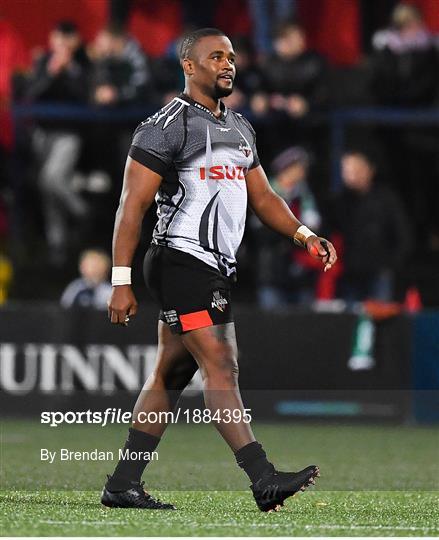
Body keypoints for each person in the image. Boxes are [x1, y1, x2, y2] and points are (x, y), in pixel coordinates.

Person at [103, 28, 337, 512]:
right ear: (189, 66)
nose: (228, 64)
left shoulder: (240, 127)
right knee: (221, 363)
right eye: (216, 56)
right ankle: (262, 477)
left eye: (231, 57)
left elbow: (265, 198)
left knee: (171, 373)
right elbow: (132, 205)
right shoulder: (165, 125)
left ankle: (123, 483)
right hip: (180, 258)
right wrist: (120, 281)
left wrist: (304, 235)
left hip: (211, 265)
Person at [26, 21, 90, 266]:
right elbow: (31, 95)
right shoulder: (43, 63)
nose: (62, 44)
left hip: (69, 133)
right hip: (43, 133)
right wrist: (52, 72)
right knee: (48, 191)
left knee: (51, 179)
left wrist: (70, 70)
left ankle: (84, 213)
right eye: (58, 39)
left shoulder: (83, 64)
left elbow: (85, 97)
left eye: (67, 39)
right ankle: (57, 243)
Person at [331, 150, 411, 303]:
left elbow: (403, 234)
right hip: (350, 274)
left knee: (380, 319)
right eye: (347, 170)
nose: (351, 175)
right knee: (351, 321)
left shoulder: (386, 199)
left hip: (379, 272)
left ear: (370, 170)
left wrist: (391, 264)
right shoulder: (340, 202)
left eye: (357, 169)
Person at [252, 146, 322, 308]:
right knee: (273, 326)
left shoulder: (305, 196)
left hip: (300, 273)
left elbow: (315, 230)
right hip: (271, 272)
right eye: (297, 168)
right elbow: (260, 232)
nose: (302, 172)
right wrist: (293, 230)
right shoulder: (265, 194)